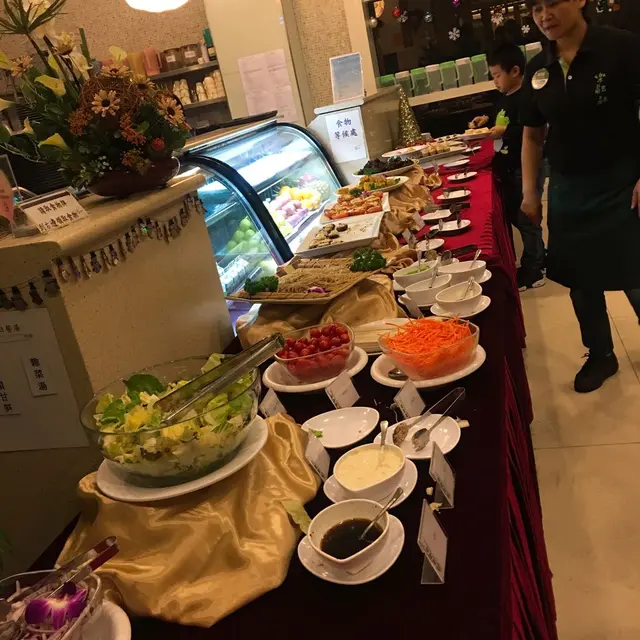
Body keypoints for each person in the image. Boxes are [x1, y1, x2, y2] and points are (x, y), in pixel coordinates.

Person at [520, 0, 640, 393]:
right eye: (537, 8)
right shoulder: (538, 68)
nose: (544, 15)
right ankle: (601, 354)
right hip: (569, 188)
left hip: (623, 181)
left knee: (635, 271)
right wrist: (530, 193)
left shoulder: (621, 47)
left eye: (553, 3)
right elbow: (532, 135)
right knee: (580, 278)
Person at [470, 43, 546, 291]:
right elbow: (501, 119)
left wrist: (504, 131)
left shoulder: (527, 97)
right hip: (508, 166)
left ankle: (535, 268)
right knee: (515, 216)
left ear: (515, 71)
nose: (495, 81)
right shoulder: (504, 97)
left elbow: (530, 133)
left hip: (525, 167)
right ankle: (536, 257)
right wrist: (486, 120)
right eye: (492, 76)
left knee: (527, 219)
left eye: (497, 75)